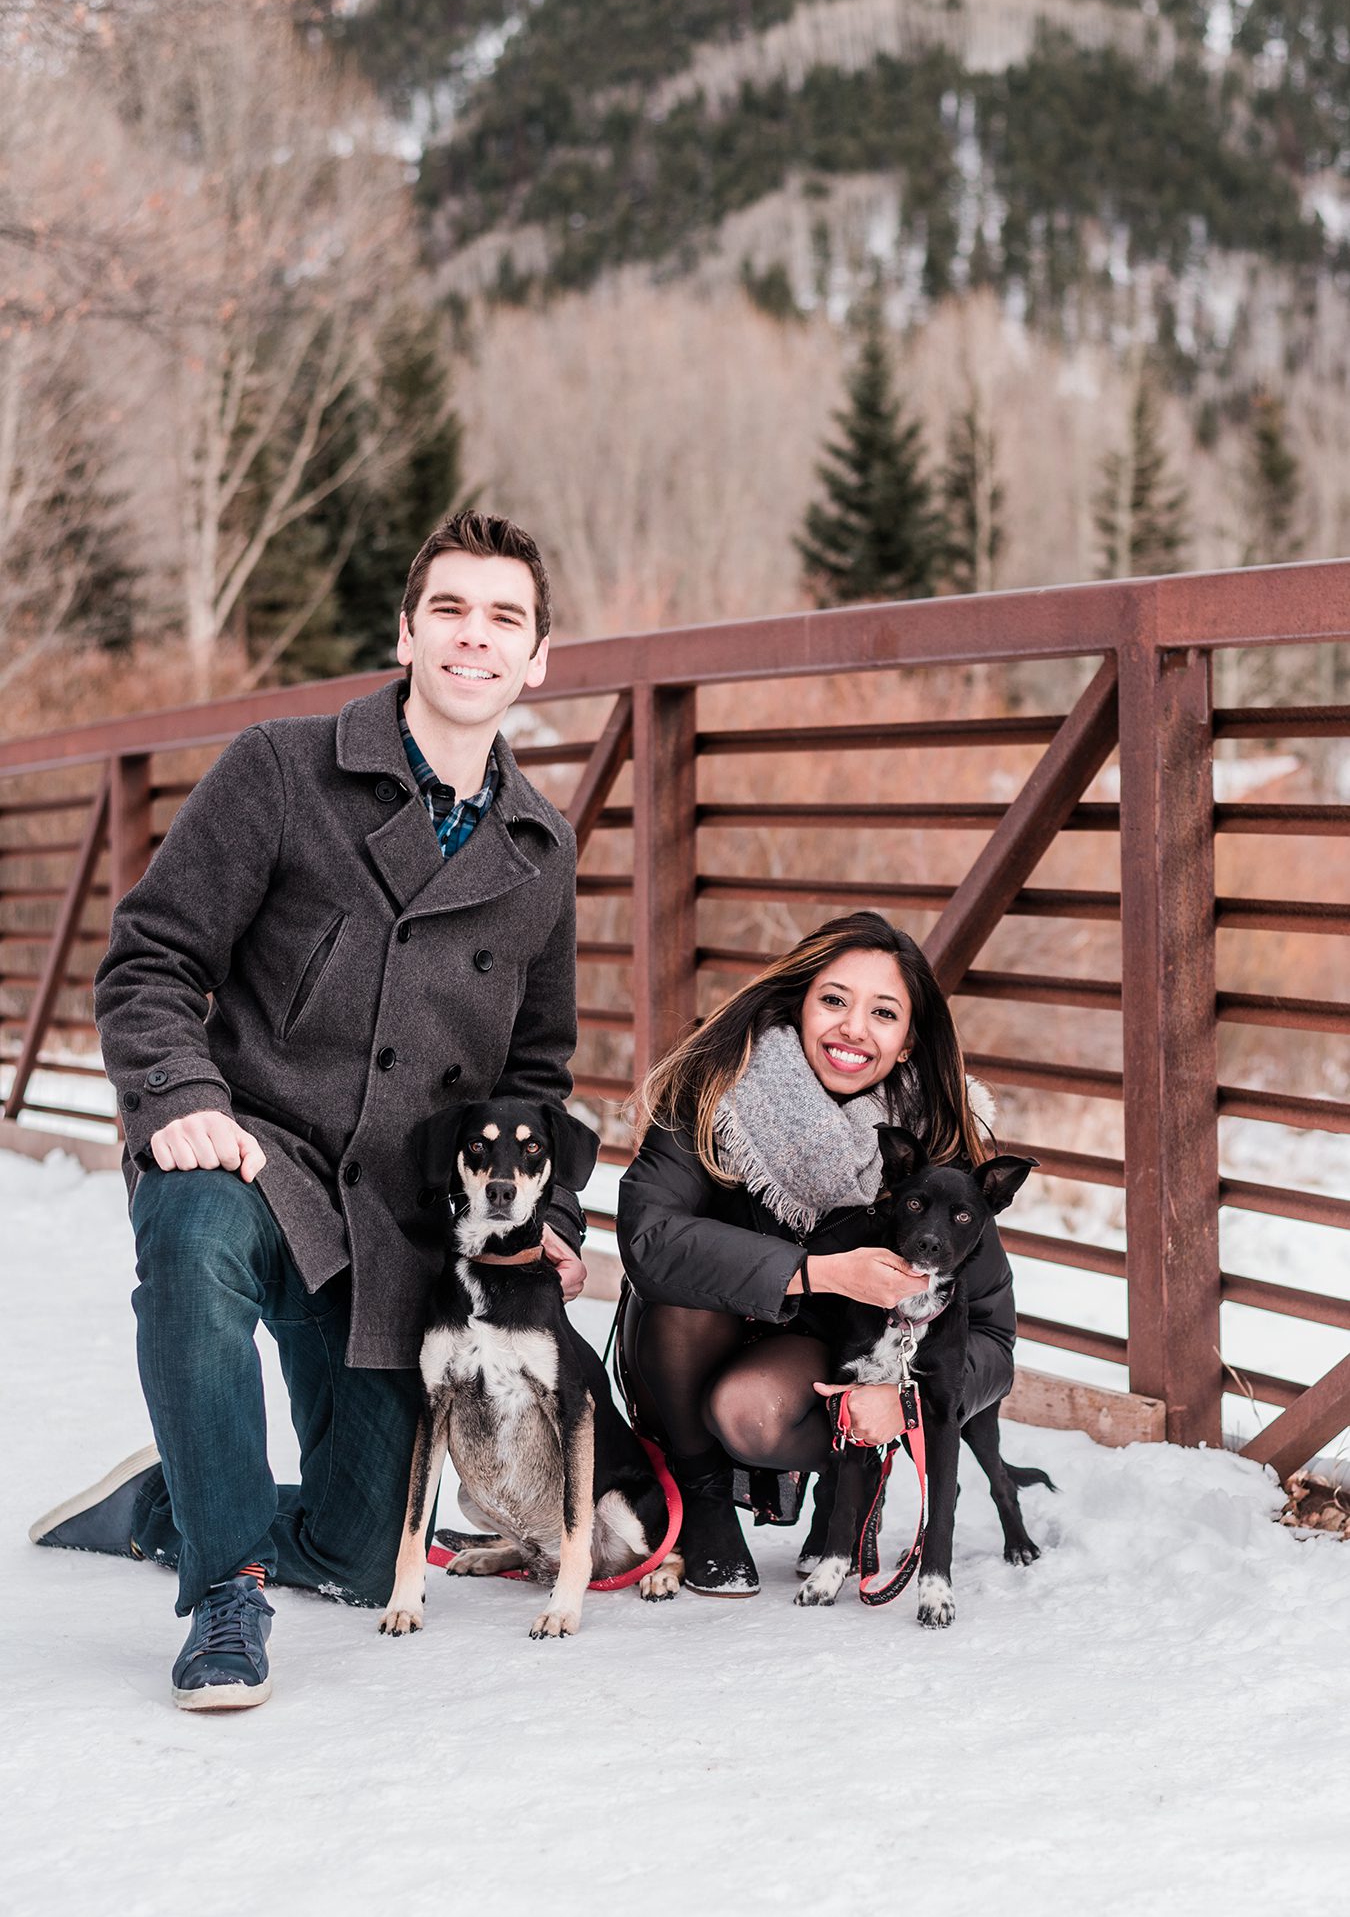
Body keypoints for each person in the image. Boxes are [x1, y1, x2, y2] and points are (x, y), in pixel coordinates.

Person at [29, 511, 588, 1710]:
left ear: (540, 659)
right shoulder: (282, 768)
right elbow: (151, 960)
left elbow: (537, 1069)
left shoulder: (543, 850)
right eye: (449, 609)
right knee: (187, 1233)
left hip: (396, 1223)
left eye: (505, 619)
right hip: (254, 1154)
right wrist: (178, 1098)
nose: (474, 639)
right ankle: (225, 1590)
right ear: (405, 630)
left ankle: (173, 1498)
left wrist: (552, 1215)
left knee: (353, 1546)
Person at [616, 911, 1016, 1597]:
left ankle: (849, 1488)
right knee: (678, 1296)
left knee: (755, 1408)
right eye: (834, 1000)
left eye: (883, 1013)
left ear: (908, 1039)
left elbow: (992, 1335)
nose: (854, 1028)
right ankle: (704, 1505)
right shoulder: (717, 1090)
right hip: (697, 1338)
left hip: (821, 1352)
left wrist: (907, 1405)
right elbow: (650, 1238)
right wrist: (821, 1271)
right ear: (798, 1002)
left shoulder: (934, 1145)